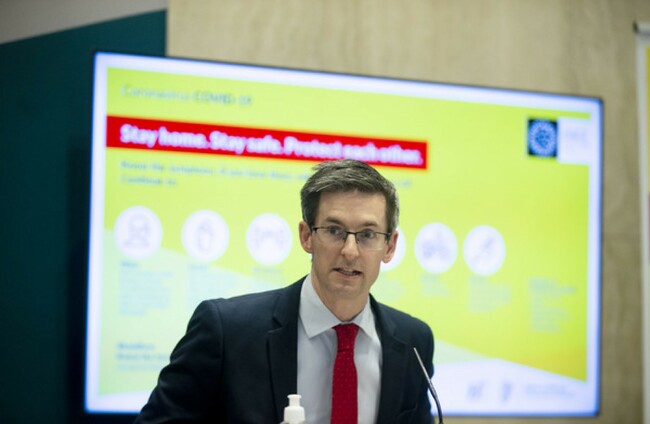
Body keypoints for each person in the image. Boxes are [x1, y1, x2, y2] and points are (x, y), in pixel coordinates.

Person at [134, 159, 435, 424]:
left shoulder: (414, 342)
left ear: (390, 246)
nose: (350, 251)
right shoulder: (226, 331)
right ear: (306, 236)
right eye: (334, 231)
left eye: (368, 234)